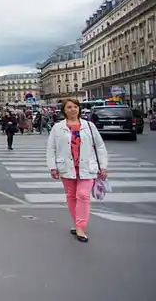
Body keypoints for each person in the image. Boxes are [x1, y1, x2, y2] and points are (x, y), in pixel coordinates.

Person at [46, 98, 109, 243]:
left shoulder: (89, 126)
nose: (73, 109)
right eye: (69, 107)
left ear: (79, 109)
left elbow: (99, 146)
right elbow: (51, 148)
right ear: (64, 110)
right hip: (67, 167)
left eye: (75, 106)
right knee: (71, 197)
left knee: (82, 195)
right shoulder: (57, 127)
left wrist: (103, 166)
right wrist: (52, 167)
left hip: (87, 167)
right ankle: (77, 223)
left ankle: (80, 227)